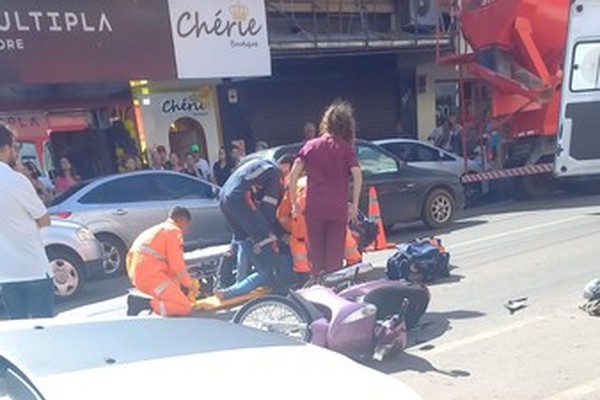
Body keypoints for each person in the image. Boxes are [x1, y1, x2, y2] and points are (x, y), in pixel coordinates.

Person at [289, 99, 363, 277]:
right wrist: (354, 204)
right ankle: (333, 295)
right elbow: (357, 174)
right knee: (334, 262)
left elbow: (293, 175)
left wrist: (294, 203)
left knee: (315, 260)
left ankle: (318, 294)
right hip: (337, 210)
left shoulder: (310, 146)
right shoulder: (345, 148)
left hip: (314, 209)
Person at [215, 156, 291, 300]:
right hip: (240, 197)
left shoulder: (261, 165)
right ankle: (278, 285)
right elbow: (268, 208)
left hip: (225, 197)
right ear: (287, 167)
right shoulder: (275, 174)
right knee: (267, 253)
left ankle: (235, 284)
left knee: (242, 239)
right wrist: (268, 233)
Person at [0, 124, 54, 320]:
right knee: (44, 330)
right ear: (5, 149)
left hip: (5, 273)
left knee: (19, 331)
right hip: (33, 268)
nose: (16, 152)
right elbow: (44, 219)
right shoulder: (16, 180)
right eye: (15, 147)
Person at [126, 207, 198, 316]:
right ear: (183, 221)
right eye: (187, 225)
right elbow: (177, 264)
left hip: (139, 274)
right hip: (151, 276)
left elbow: (168, 266)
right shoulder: (173, 232)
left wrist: (179, 286)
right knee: (183, 307)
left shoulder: (159, 230)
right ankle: (144, 304)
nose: (186, 230)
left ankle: (149, 302)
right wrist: (188, 284)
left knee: (176, 291)